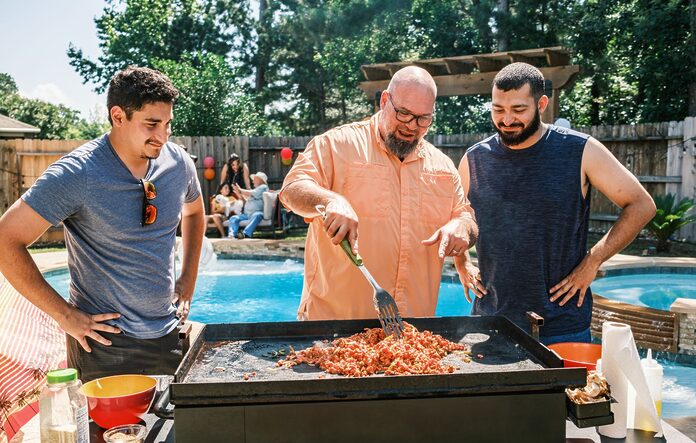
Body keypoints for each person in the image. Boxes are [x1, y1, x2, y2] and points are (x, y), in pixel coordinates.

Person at [0, 66, 206, 382]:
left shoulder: (177, 162)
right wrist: (64, 315)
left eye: (167, 124)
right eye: (151, 124)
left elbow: (194, 213)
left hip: (168, 334)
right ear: (118, 116)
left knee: (172, 431)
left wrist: (187, 280)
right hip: (103, 346)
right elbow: (5, 239)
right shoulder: (77, 174)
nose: (163, 136)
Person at [458, 63, 656, 345]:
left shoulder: (580, 151)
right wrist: (462, 261)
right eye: (498, 109)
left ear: (541, 104)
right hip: (490, 320)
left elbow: (641, 205)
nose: (507, 119)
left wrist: (593, 261)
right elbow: (454, 215)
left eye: (518, 109)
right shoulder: (475, 159)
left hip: (562, 325)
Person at [280, 66, 478, 321]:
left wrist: (462, 227)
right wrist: (331, 200)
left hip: (411, 339)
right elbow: (292, 189)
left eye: (423, 119)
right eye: (404, 113)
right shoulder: (337, 145)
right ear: (385, 100)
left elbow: (467, 219)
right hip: (330, 331)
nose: (411, 126)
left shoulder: (443, 168)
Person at [228, 171, 269, 239]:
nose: (253, 181)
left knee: (257, 215)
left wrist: (240, 190)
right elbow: (247, 199)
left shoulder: (263, 187)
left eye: (255, 179)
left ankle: (245, 234)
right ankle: (232, 235)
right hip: (247, 215)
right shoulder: (256, 190)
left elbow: (252, 193)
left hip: (256, 213)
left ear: (260, 180)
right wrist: (239, 192)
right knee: (233, 218)